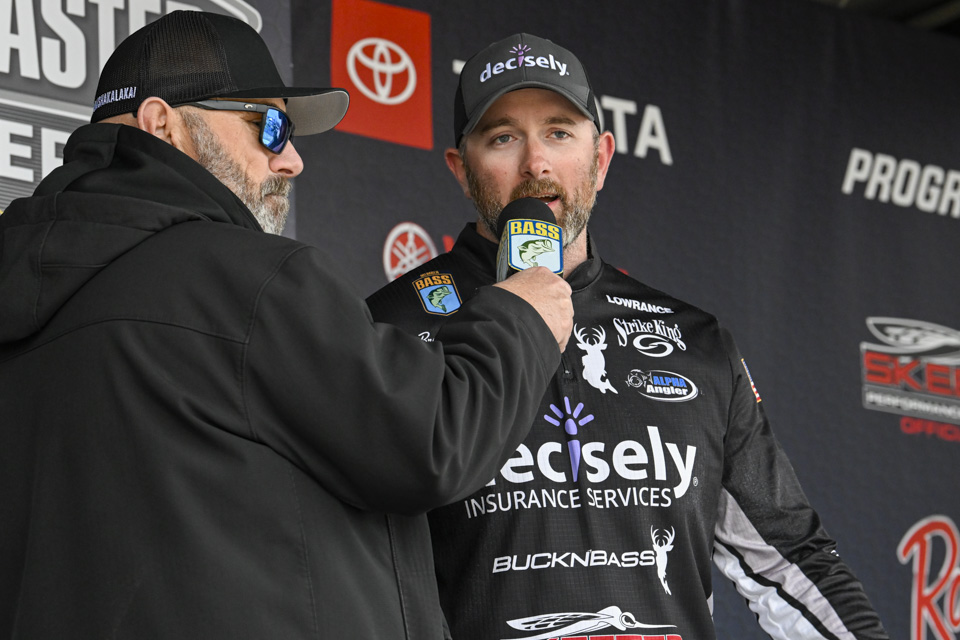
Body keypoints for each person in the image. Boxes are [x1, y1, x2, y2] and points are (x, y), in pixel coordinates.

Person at [0, 14, 575, 640]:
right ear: (163, 124)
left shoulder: (24, 291)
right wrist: (523, 317)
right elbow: (433, 438)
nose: (292, 160)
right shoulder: (241, 278)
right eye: (269, 127)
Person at [366, 33, 889, 640]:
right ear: (462, 169)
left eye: (559, 132)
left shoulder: (696, 343)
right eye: (503, 137)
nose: (536, 163)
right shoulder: (388, 328)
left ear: (602, 158)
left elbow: (789, 557)